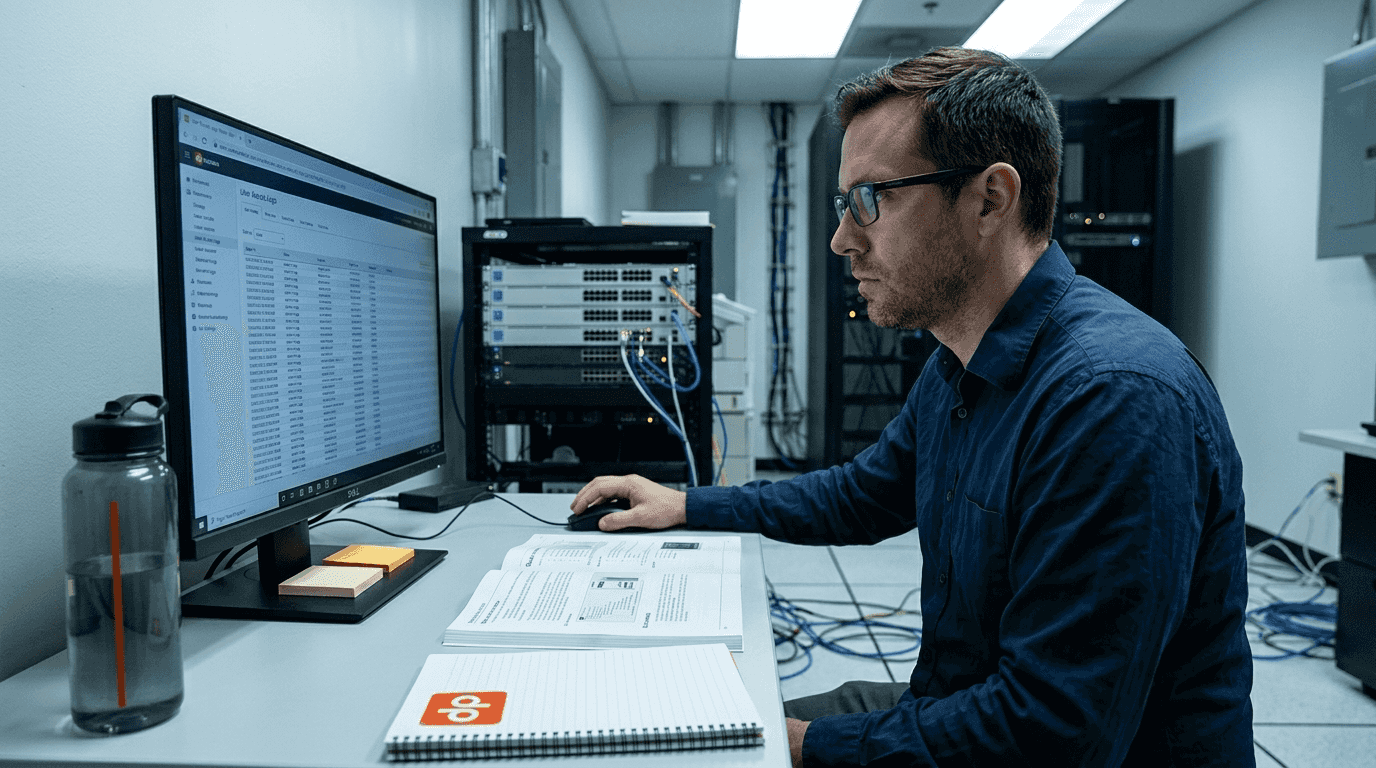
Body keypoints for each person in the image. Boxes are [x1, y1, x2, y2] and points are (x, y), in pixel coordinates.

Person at [571, 47, 1253, 767]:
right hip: (960, 705)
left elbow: (1055, 732)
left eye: (871, 199)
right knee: (661, 723)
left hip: (1044, 749)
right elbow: (863, 496)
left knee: (699, 748)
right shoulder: (959, 363)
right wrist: (689, 506)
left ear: (990, 198)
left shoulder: (1111, 400)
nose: (842, 239)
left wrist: (801, 748)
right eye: (844, 204)